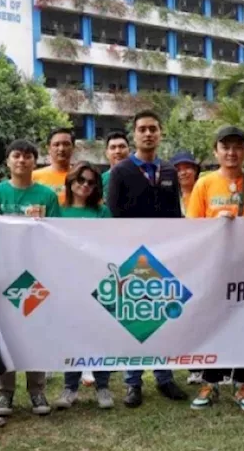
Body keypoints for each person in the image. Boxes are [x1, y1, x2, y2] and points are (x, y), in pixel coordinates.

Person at [186, 125, 244, 412]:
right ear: (216, 151)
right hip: (214, 266)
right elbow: (191, 226)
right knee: (213, 322)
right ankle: (210, 382)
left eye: (237, 147)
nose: (231, 152)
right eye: (225, 147)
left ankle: (241, 382)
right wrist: (215, 223)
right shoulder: (204, 184)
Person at [105, 110, 190, 406]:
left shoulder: (168, 171)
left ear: (160, 132)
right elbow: (113, 213)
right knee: (136, 318)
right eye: (142, 129)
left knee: (162, 316)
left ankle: (165, 379)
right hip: (132, 256)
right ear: (134, 135)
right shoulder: (120, 171)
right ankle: (133, 383)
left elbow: (176, 215)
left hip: (164, 254)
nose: (148, 133)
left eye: (153, 128)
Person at [0, 139, 61, 417]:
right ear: (8, 161)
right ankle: (4, 393)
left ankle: (37, 390)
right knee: (5, 332)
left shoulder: (47, 196)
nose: (22, 160)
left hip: (36, 273)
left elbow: (55, 234)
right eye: (16, 155)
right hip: (4, 273)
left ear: (34, 162)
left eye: (28, 156)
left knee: (36, 330)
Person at [56, 163, 117, 409]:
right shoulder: (58, 211)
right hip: (67, 280)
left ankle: (103, 387)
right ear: (71, 181)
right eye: (81, 179)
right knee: (71, 333)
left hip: (97, 280)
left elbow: (110, 243)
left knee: (100, 332)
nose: (85, 185)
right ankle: (70, 387)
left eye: (92, 182)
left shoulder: (102, 213)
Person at [170, 149, 204, 384]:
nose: (183, 172)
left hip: (203, 260)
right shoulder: (167, 195)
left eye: (187, 167)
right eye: (178, 168)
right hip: (176, 261)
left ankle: (205, 364)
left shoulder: (204, 191)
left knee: (201, 311)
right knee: (180, 313)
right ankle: (191, 367)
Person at [32, 127, 75, 205]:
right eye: (56, 144)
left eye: (66, 144)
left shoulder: (82, 177)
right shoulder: (33, 177)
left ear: (73, 148)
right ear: (48, 148)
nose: (61, 149)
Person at [171, 150, 200, 214]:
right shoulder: (170, 197)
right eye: (178, 170)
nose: (183, 173)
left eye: (187, 167)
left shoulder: (205, 192)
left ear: (195, 170)